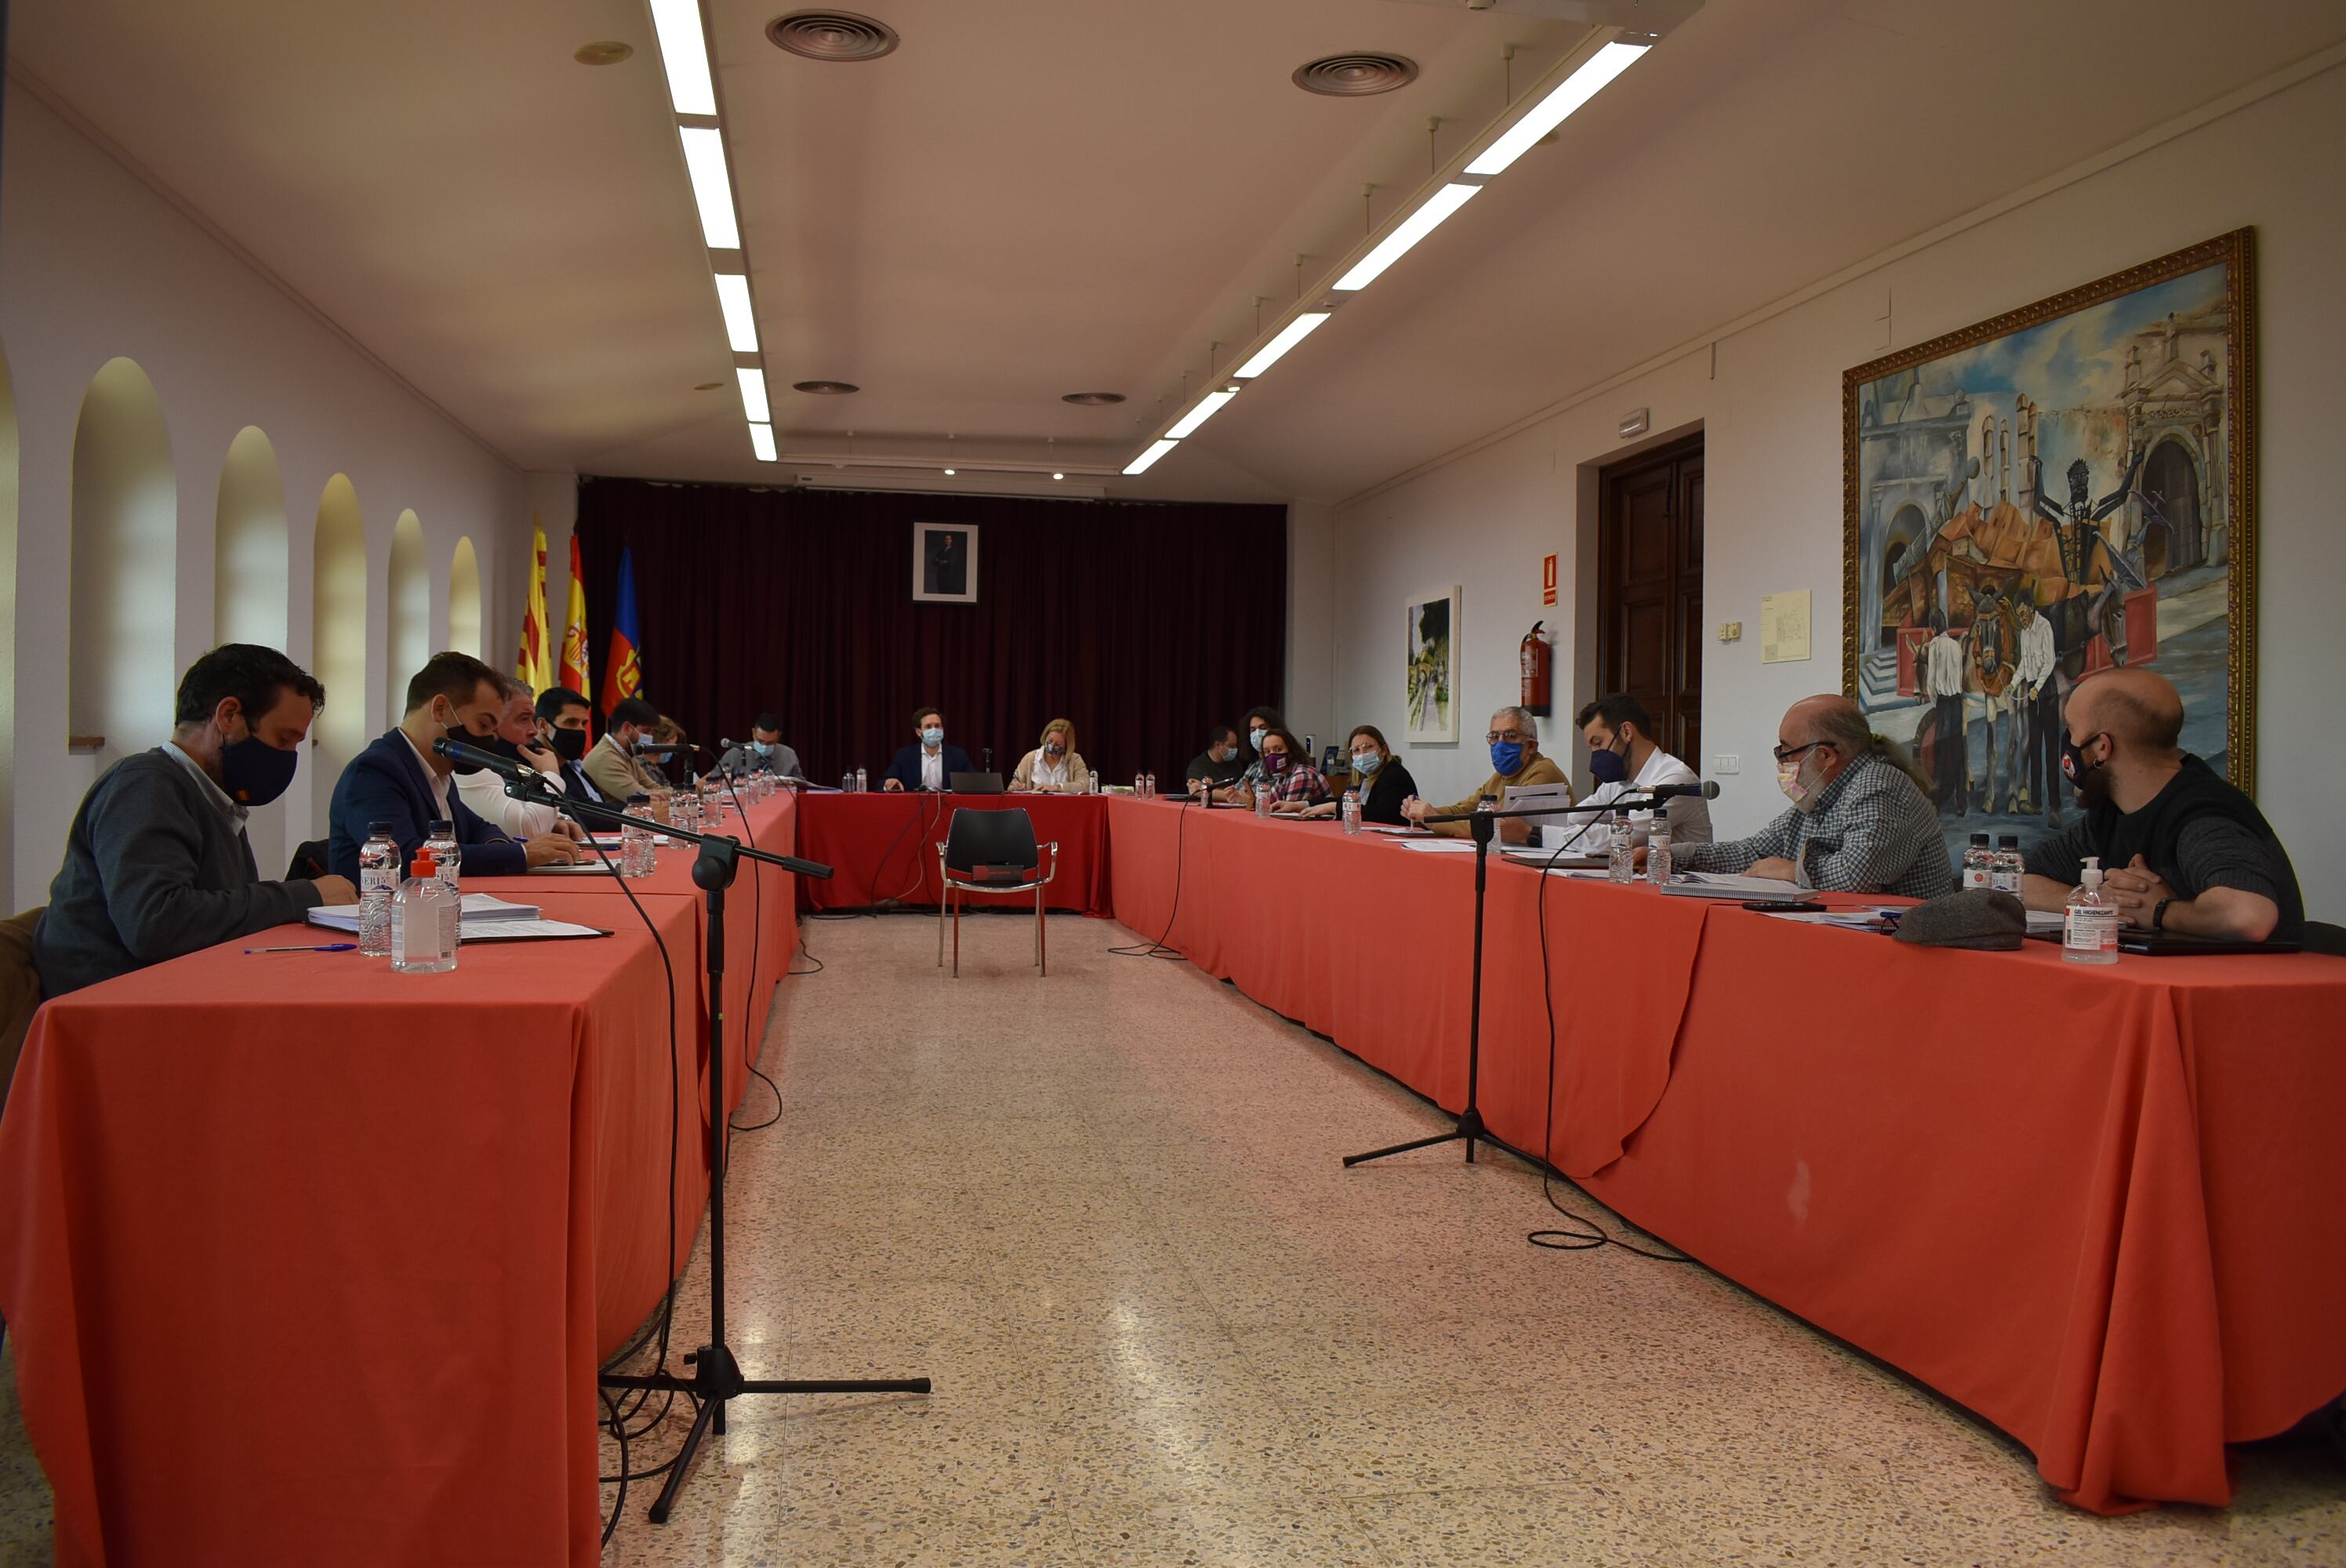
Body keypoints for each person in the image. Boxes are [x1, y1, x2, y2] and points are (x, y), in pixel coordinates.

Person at [33, 644, 357, 997]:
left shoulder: (210, 798)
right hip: (113, 1004)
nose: (289, 756)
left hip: (176, 991)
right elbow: (156, 924)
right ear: (229, 716)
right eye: (283, 739)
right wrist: (303, 895)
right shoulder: (144, 785)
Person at [2019, 667, 2302, 942]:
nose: (2068, 742)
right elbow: (2021, 880)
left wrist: (2160, 911)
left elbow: (2249, 917)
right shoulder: (2111, 816)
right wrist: (2100, 901)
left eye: (2072, 729)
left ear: (2103, 747)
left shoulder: (2201, 815)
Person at [328, 652, 584, 881]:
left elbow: (480, 829)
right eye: (483, 725)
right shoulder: (375, 770)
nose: (489, 740)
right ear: (440, 709)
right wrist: (521, 854)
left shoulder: (438, 771)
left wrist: (498, 848)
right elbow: (404, 857)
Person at [1676, 695, 1952, 898]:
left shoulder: (1878, 785)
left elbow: (1858, 875)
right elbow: (1752, 853)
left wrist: (1790, 870)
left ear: (1825, 755)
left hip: (1906, 945)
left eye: (1785, 751)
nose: (1780, 761)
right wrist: (1671, 854)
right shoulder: (1820, 798)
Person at [1552, 694, 1712, 851]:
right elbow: (1574, 818)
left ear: (1626, 732)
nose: (1595, 755)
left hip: (1678, 869)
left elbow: (1620, 837)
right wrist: (1545, 828)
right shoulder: (1617, 782)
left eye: (1598, 743)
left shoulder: (1676, 780)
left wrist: (1543, 835)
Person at [454, 675, 590, 840]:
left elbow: (523, 811)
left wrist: (558, 820)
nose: (534, 731)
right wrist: (551, 773)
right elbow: (524, 830)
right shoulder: (473, 767)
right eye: (523, 719)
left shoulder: (524, 762)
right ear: (494, 723)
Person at [1400, 706, 1568, 839]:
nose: (1500, 744)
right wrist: (1421, 812)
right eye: (1494, 737)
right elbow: (1463, 811)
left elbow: (1499, 827)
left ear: (1531, 746)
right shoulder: (1499, 777)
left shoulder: (1542, 771)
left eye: (1510, 736)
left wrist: (1433, 820)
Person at [1296, 725, 1417, 823]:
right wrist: (1302, 805)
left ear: (1384, 750)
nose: (1362, 754)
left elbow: (1383, 814)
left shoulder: (1394, 775)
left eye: (1368, 747)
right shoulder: (1364, 777)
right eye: (1356, 750)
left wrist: (1334, 807)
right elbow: (1343, 800)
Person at [2010, 586, 2060, 822]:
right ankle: (2037, 803)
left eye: (2023, 613)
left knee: (2051, 751)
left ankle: (2055, 807)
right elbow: (2024, 663)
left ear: (2031, 607)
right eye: (2018, 615)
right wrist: (2013, 683)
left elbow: (2049, 662)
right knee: (2035, 749)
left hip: (2047, 691)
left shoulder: (2044, 627)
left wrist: (2038, 688)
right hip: (2032, 691)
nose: (2021, 618)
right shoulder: (2024, 633)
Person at [1919, 605, 1968, 814]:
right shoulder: (1955, 645)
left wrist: (1935, 703)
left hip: (1944, 704)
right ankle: (1961, 803)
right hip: (1957, 701)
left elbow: (1931, 681)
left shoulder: (1935, 645)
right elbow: (1959, 675)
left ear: (1933, 628)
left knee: (1941, 751)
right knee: (1958, 751)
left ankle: (1938, 802)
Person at [584, 695, 673, 803]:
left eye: (651, 732)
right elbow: (643, 798)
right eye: (646, 731)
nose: (650, 737)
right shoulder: (605, 758)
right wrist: (680, 793)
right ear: (627, 728)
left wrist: (679, 793)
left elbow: (654, 788)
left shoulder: (627, 752)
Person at [534, 685, 608, 805]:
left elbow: (588, 804)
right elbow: (579, 810)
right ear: (543, 726)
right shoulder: (536, 765)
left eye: (583, 723)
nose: (581, 729)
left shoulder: (567, 762)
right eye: (571, 722)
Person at [883, 706, 973, 792]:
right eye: (928, 727)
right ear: (919, 732)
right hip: (914, 802)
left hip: (949, 803)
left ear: (942, 729)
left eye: (937, 726)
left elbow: (974, 782)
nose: (934, 730)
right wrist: (890, 784)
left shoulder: (958, 756)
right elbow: (884, 783)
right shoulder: (904, 756)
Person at [1218, 706, 1291, 804]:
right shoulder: (1255, 763)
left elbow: (1264, 797)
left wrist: (1205, 791)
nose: (1257, 733)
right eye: (1253, 730)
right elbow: (1236, 792)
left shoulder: (1277, 760)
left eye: (1263, 728)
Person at [1257, 728, 1331, 813]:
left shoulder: (1301, 775)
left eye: (1278, 749)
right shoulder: (1283, 778)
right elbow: (1264, 803)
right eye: (1267, 751)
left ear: (1291, 751)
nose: (1272, 755)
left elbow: (1287, 813)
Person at [1011, 718, 1091, 793]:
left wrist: (1058, 788)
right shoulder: (1030, 758)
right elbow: (1011, 786)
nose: (1052, 745)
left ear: (1067, 745)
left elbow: (1085, 786)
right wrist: (1016, 787)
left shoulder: (1075, 760)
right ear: (1045, 736)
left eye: (1058, 744)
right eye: (1050, 740)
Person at [717, 713, 804, 781]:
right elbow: (712, 779)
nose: (764, 746)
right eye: (760, 741)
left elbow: (801, 785)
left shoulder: (789, 754)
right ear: (753, 733)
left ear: (778, 737)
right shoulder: (736, 753)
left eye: (770, 743)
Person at [1185, 725, 1247, 794]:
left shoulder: (1235, 764)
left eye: (1236, 746)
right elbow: (1197, 791)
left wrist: (1210, 790)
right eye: (1231, 746)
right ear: (1218, 745)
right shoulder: (1197, 766)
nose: (1235, 749)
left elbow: (1243, 790)